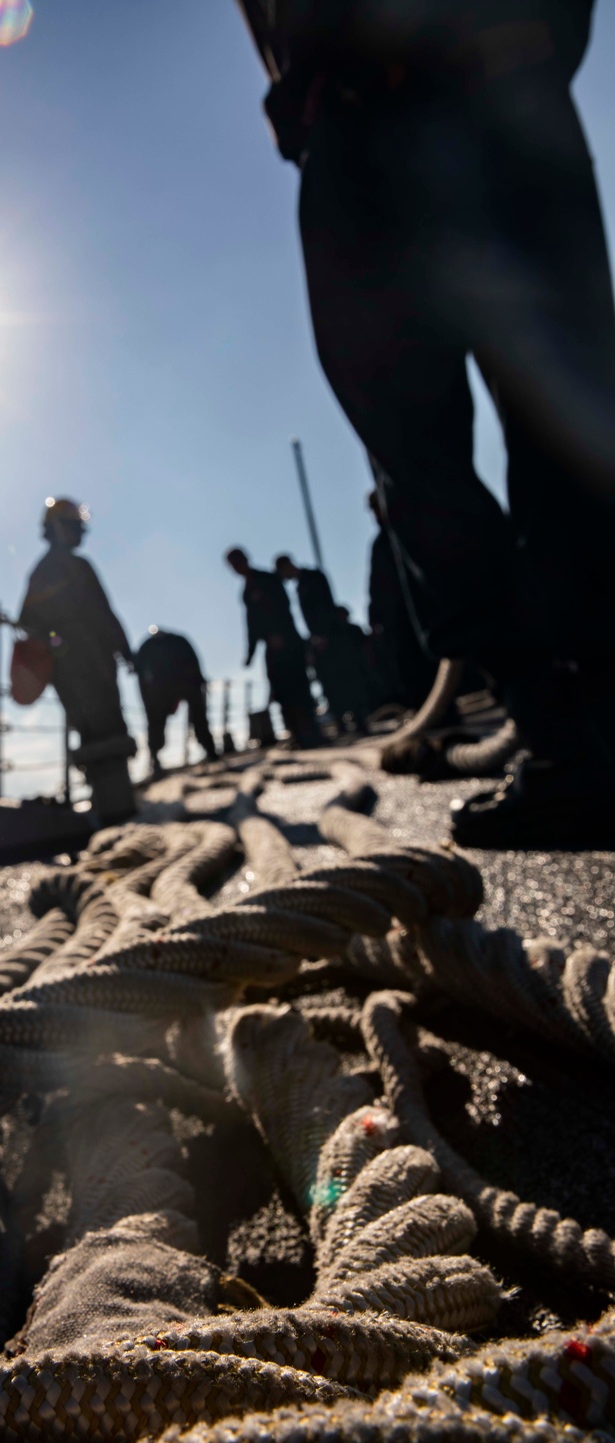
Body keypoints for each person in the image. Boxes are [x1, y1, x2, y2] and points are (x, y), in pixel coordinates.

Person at [238, 0, 615, 849]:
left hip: (458, 82)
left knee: (478, 430)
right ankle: (565, 722)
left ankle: (572, 725)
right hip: (448, 88)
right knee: (460, 432)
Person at [18, 497, 136, 822]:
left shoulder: (41, 572)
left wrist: (59, 647)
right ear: (59, 528)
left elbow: (26, 621)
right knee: (105, 726)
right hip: (88, 665)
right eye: (75, 527)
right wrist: (120, 650)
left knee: (89, 729)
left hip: (71, 668)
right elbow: (103, 613)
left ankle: (109, 804)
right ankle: (117, 808)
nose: (81, 533)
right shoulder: (76, 567)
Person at [225, 547, 321, 747]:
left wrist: (279, 633)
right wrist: (250, 652)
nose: (236, 568)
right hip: (271, 646)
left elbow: (282, 606)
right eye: (232, 565)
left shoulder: (267, 579)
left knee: (299, 687)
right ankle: (296, 732)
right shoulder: (246, 591)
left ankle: (311, 733)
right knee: (281, 690)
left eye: (238, 562)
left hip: (287, 641)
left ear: (245, 559)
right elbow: (251, 623)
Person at [275, 554, 370, 731]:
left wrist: (324, 633)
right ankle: (342, 722)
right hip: (318, 639)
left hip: (331, 636)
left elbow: (326, 604)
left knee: (345, 677)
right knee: (329, 682)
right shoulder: (299, 587)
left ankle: (359, 719)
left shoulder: (314, 577)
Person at [365, 490, 438, 710]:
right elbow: (376, 583)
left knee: (426, 660)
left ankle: (439, 711)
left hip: (419, 610)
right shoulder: (380, 544)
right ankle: (421, 710)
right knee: (405, 664)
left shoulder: (408, 530)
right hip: (394, 617)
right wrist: (374, 612)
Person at [135, 626, 217, 775]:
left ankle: (209, 750)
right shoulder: (173, 642)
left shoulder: (149, 647)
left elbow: (139, 673)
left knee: (195, 718)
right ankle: (156, 759)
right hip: (172, 686)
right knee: (158, 723)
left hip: (172, 686)